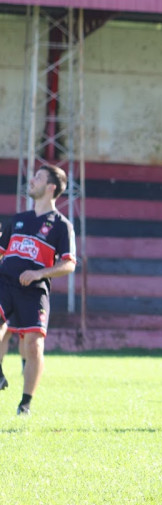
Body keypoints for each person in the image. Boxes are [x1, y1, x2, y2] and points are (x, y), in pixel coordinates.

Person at [0, 164, 77, 415]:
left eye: (38, 178)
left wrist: (39, 273)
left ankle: (25, 404)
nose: (31, 181)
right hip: (5, 282)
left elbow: (69, 263)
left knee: (33, 346)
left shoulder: (61, 225)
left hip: (34, 291)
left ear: (51, 187)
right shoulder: (19, 219)